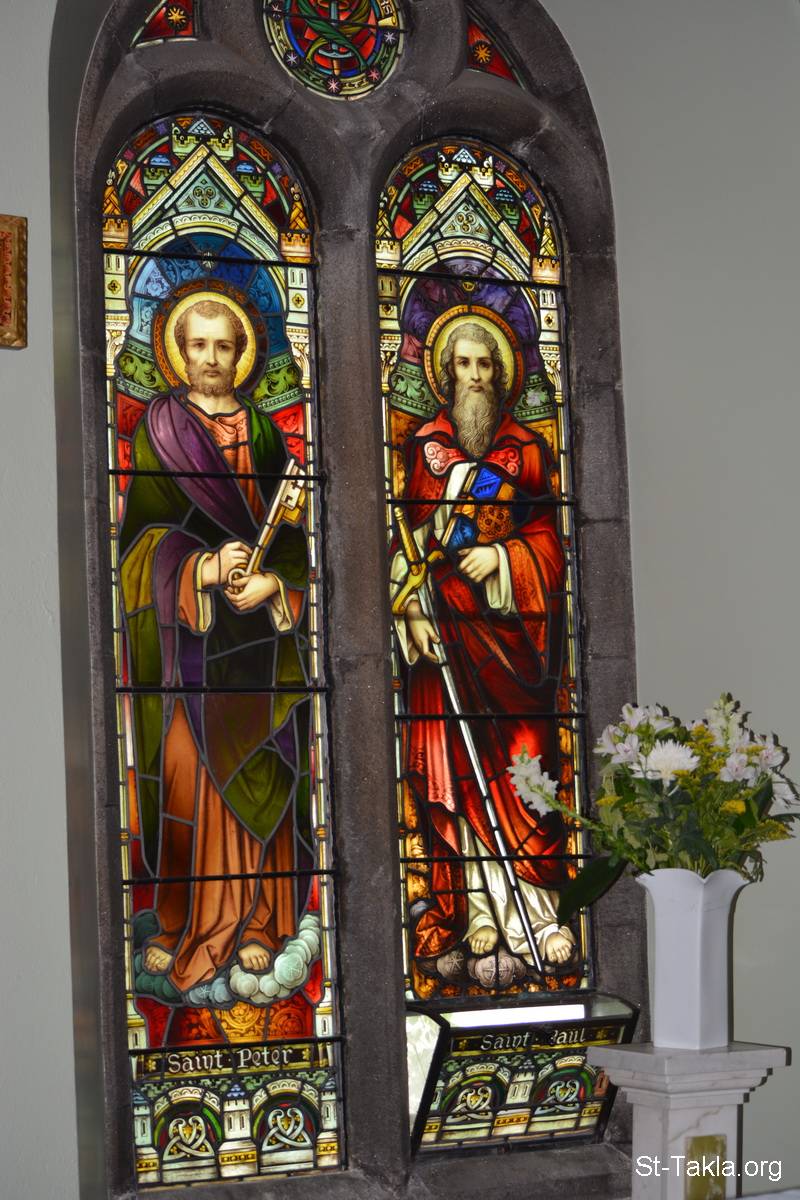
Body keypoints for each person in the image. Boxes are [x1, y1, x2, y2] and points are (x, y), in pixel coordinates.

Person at [120, 297, 311, 998]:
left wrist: (273, 584)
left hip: (259, 646)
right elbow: (137, 547)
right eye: (197, 345)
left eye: (223, 346)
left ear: (241, 355)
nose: (209, 358)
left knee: (267, 771)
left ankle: (260, 922)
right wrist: (200, 567)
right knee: (186, 778)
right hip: (190, 646)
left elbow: (293, 541)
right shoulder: (161, 430)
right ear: (178, 351)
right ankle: (184, 923)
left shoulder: (264, 435)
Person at [391, 317, 576, 988]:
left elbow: (553, 545)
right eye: (462, 364)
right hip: (447, 639)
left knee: (525, 771)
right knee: (459, 775)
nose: (474, 376)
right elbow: (404, 545)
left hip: (516, 648)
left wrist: (502, 560)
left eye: (485, 365)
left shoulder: (529, 451)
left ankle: (539, 913)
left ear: (501, 375)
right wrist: (410, 607)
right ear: (445, 374)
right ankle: (476, 911)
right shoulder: (425, 449)